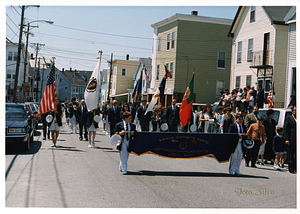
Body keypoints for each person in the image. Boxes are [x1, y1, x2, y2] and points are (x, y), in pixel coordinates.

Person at [284, 106, 297, 173]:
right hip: (291, 139)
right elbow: (286, 130)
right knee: (291, 154)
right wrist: (287, 139)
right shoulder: (289, 118)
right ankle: (291, 168)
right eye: (295, 110)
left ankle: (296, 168)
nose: (296, 112)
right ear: (292, 111)